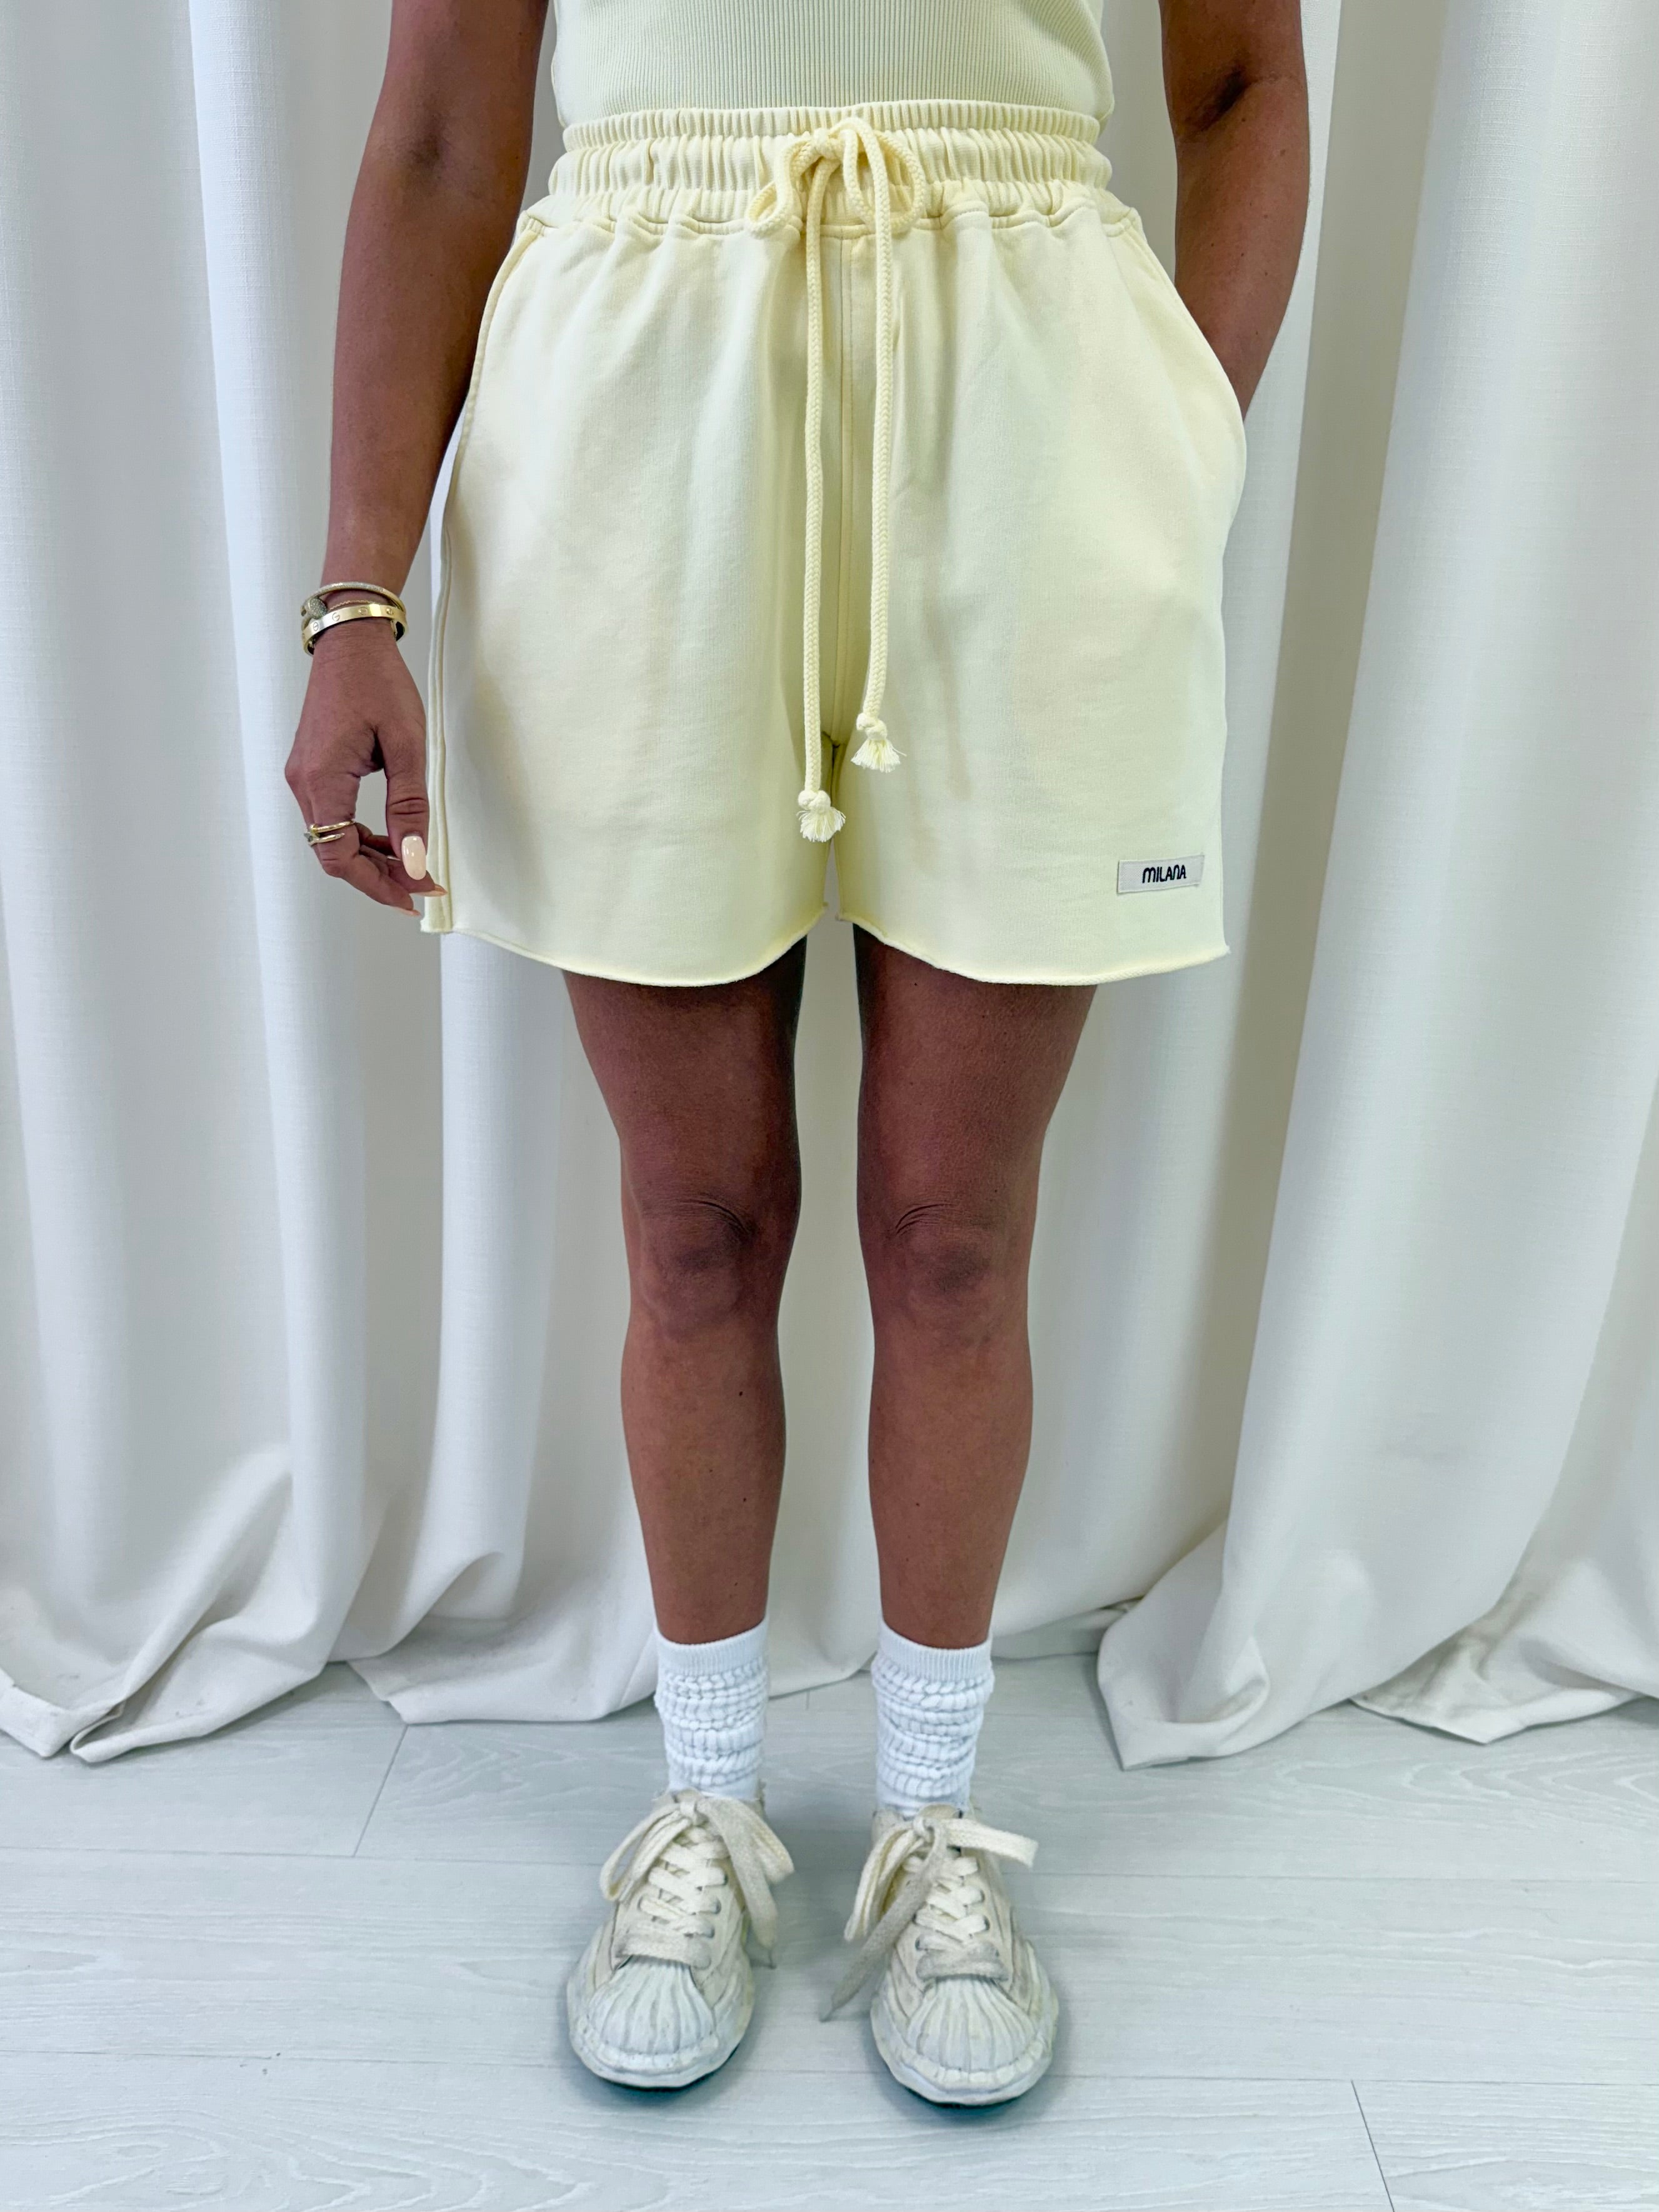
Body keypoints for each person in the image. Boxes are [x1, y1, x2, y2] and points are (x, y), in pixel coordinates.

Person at [287, 0, 1308, 2106]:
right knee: (694, 1225)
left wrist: (1176, 443)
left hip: (1028, 410)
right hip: (636, 413)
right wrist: (355, 600)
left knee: (955, 1233)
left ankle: (936, 1819)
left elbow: (1242, 81)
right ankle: (708, 1805)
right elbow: (443, 136)